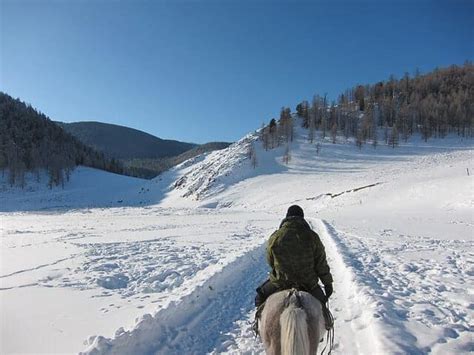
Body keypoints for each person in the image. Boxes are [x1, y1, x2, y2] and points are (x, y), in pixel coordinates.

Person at [254, 205, 334, 331]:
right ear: (302, 218)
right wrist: (327, 283)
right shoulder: (312, 236)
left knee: (260, 297)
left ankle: (259, 326)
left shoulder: (276, 236)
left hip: (280, 282)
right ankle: (326, 325)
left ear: (286, 218)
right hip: (309, 283)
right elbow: (321, 263)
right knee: (322, 306)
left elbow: (270, 261)